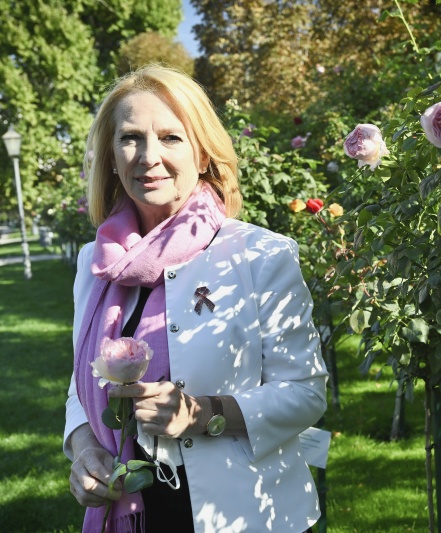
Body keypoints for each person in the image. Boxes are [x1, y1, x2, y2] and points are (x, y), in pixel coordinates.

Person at [63, 64, 328, 533]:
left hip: (244, 513)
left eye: (170, 137)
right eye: (130, 138)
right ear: (110, 155)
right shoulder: (94, 262)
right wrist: (84, 449)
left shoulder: (258, 254)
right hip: (132, 506)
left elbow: (305, 393)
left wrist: (203, 413)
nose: (148, 156)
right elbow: (81, 385)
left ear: (203, 153)